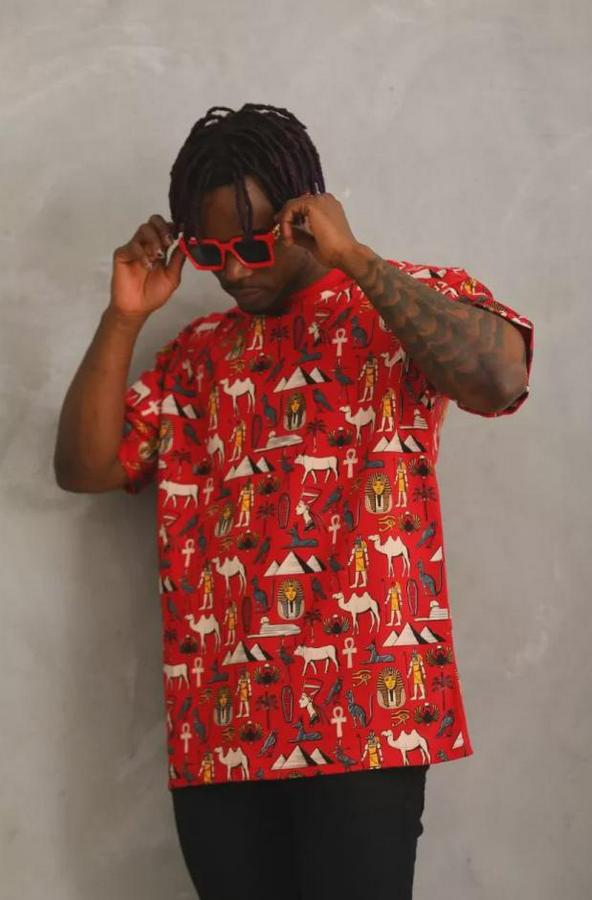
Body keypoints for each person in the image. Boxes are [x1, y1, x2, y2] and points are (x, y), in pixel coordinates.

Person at [54, 102, 534, 900]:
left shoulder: (402, 303)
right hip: (222, 732)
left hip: (365, 722)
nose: (234, 273)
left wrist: (355, 259)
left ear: (304, 215)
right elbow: (85, 466)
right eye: (210, 254)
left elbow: (501, 380)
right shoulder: (196, 358)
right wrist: (123, 317)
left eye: (251, 245)